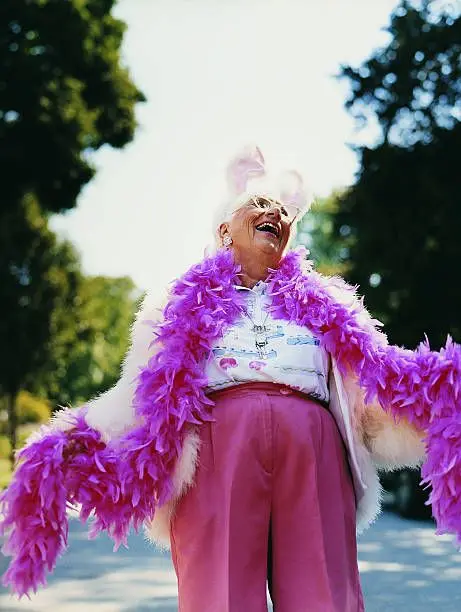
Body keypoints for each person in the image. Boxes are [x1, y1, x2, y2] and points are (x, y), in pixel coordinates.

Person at [1, 146, 459, 612]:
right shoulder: (177, 305)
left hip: (315, 448)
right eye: (260, 206)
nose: (274, 214)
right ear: (224, 229)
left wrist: (440, 397)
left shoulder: (331, 302)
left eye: (282, 212)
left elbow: (374, 381)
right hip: (216, 449)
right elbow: (138, 394)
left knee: (325, 592)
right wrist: (78, 435)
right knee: (219, 594)